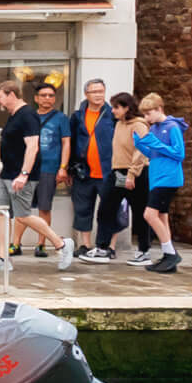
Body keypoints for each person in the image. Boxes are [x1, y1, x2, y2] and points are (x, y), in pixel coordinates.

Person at [0, 79, 74, 271]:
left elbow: (33, 146)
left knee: (23, 215)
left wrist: (24, 174)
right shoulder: (14, 114)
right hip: (7, 173)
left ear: (11, 94)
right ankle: (3, 258)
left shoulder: (27, 115)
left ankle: (61, 243)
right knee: (1, 213)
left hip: (20, 175)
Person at [131, 93, 188, 274]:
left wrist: (155, 143)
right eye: (145, 114)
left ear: (159, 109)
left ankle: (170, 253)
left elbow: (179, 154)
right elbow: (153, 153)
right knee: (162, 216)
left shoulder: (172, 127)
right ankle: (167, 254)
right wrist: (141, 145)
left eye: (149, 114)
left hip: (168, 178)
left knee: (149, 215)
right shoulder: (155, 128)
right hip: (156, 177)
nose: (146, 118)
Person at [85, 91, 139, 263]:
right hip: (115, 172)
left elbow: (141, 151)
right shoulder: (119, 124)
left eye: (116, 107)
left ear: (127, 108)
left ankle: (144, 250)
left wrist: (132, 173)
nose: (113, 111)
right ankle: (102, 248)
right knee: (105, 209)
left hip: (132, 173)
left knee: (141, 211)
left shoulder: (138, 125)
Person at [66, 79, 116, 261]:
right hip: (84, 172)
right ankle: (85, 244)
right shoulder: (78, 116)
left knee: (111, 210)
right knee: (82, 209)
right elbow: (70, 142)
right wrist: (70, 168)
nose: (98, 95)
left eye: (101, 91)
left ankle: (110, 246)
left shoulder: (113, 115)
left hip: (108, 172)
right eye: (94, 91)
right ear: (86, 94)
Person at [21, 82, 69, 257]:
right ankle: (15, 243)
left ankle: (41, 244)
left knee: (44, 207)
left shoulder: (61, 118)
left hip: (49, 167)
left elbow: (66, 143)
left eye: (51, 95)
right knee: (22, 207)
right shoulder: (29, 117)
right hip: (27, 168)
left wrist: (63, 167)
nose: (47, 99)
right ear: (36, 98)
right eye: (43, 95)